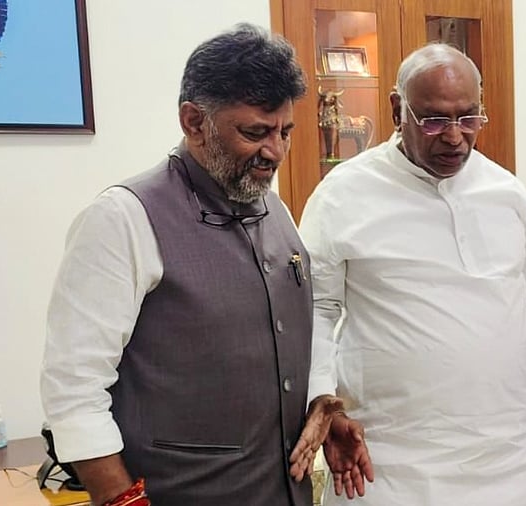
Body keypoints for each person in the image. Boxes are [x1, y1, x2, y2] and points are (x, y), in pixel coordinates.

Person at [40, 24, 371, 506]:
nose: (274, 151)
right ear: (194, 121)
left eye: (285, 132)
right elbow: (72, 388)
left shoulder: (274, 210)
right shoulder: (122, 219)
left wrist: (321, 402)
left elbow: (300, 326)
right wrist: (121, 501)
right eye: (254, 132)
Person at [299, 43, 526, 505]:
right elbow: (316, 309)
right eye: (436, 119)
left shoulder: (509, 194)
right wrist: (321, 401)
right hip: (391, 460)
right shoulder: (342, 193)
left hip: (510, 455)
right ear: (397, 109)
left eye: (469, 118)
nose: (455, 136)